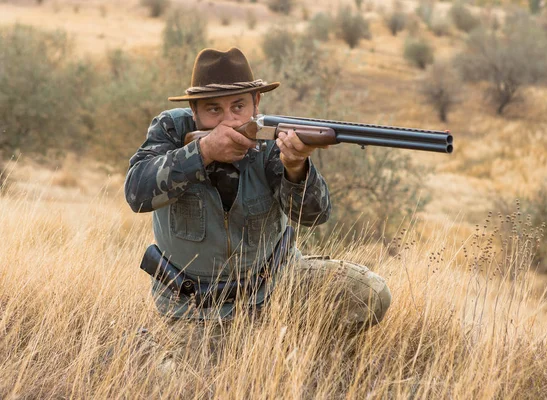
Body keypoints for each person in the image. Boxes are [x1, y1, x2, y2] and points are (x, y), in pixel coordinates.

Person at [124, 47, 391, 330]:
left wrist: (296, 167)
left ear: (256, 103)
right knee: (215, 371)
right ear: (194, 111)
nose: (229, 120)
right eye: (214, 109)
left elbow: (315, 216)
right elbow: (137, 193)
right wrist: (202, 152)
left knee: (370, 294)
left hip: (276, 285)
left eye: (238, 107)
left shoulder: (272, 138)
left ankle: (300, 355)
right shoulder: (172, 129)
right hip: (194, 305)